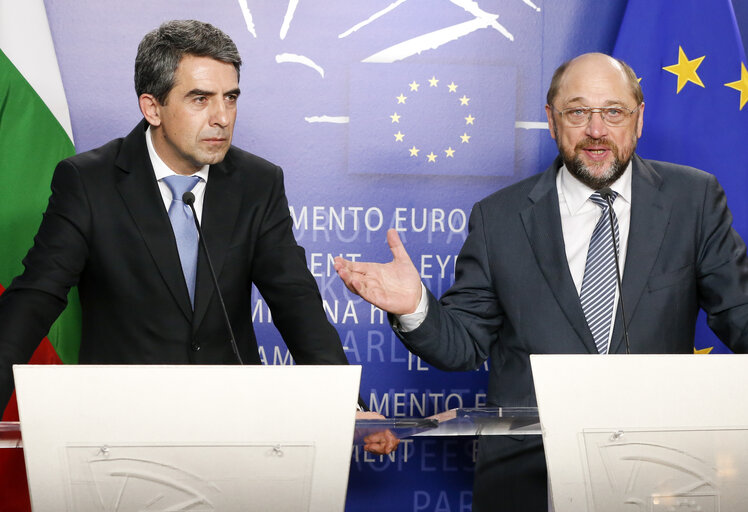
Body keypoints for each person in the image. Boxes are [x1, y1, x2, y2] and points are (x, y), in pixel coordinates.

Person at [334, 52, 748, 509]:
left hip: (660, 475)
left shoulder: (693, 200)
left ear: (639, 119)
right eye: (577, 112)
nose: (596, 130)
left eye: (613, 111)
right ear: (552, 121)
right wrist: (414, 306)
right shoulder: (499, 219)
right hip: (529, 478)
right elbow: (463, 344)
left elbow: (740, 313)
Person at [0, 20, 397, 455]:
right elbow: (34, 298)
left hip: (233, 432)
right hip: (119, 432)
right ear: (152, 108)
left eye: (230, 98)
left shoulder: (256, 183)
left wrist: (346, 404)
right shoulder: (89, 182)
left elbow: (296, 304)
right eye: (200, 99)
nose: (222, 117)